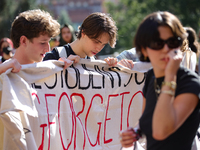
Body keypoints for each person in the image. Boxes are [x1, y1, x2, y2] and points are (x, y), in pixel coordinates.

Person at [119, 11, 200, 150]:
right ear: (144, 50)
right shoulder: (151, 76)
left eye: (173, 42)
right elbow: (146, 120)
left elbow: (161, 131)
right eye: (158, 43)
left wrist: (169, 77)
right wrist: (135, 132)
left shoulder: (190, 82)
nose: (166, 49)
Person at [0, 9, 70, 149]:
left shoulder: (51, 73)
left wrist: (74, 69)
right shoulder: (4, 75)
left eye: (49, 42)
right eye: (43, 42)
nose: (48, 48)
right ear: (24, 40)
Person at [43, 12, 118, 65]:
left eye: (103, 44)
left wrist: (108, 69)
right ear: (83, 33)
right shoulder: (53, 57)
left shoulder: (93, 63)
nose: (99, 48)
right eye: (96, 41)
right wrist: (58, 67)